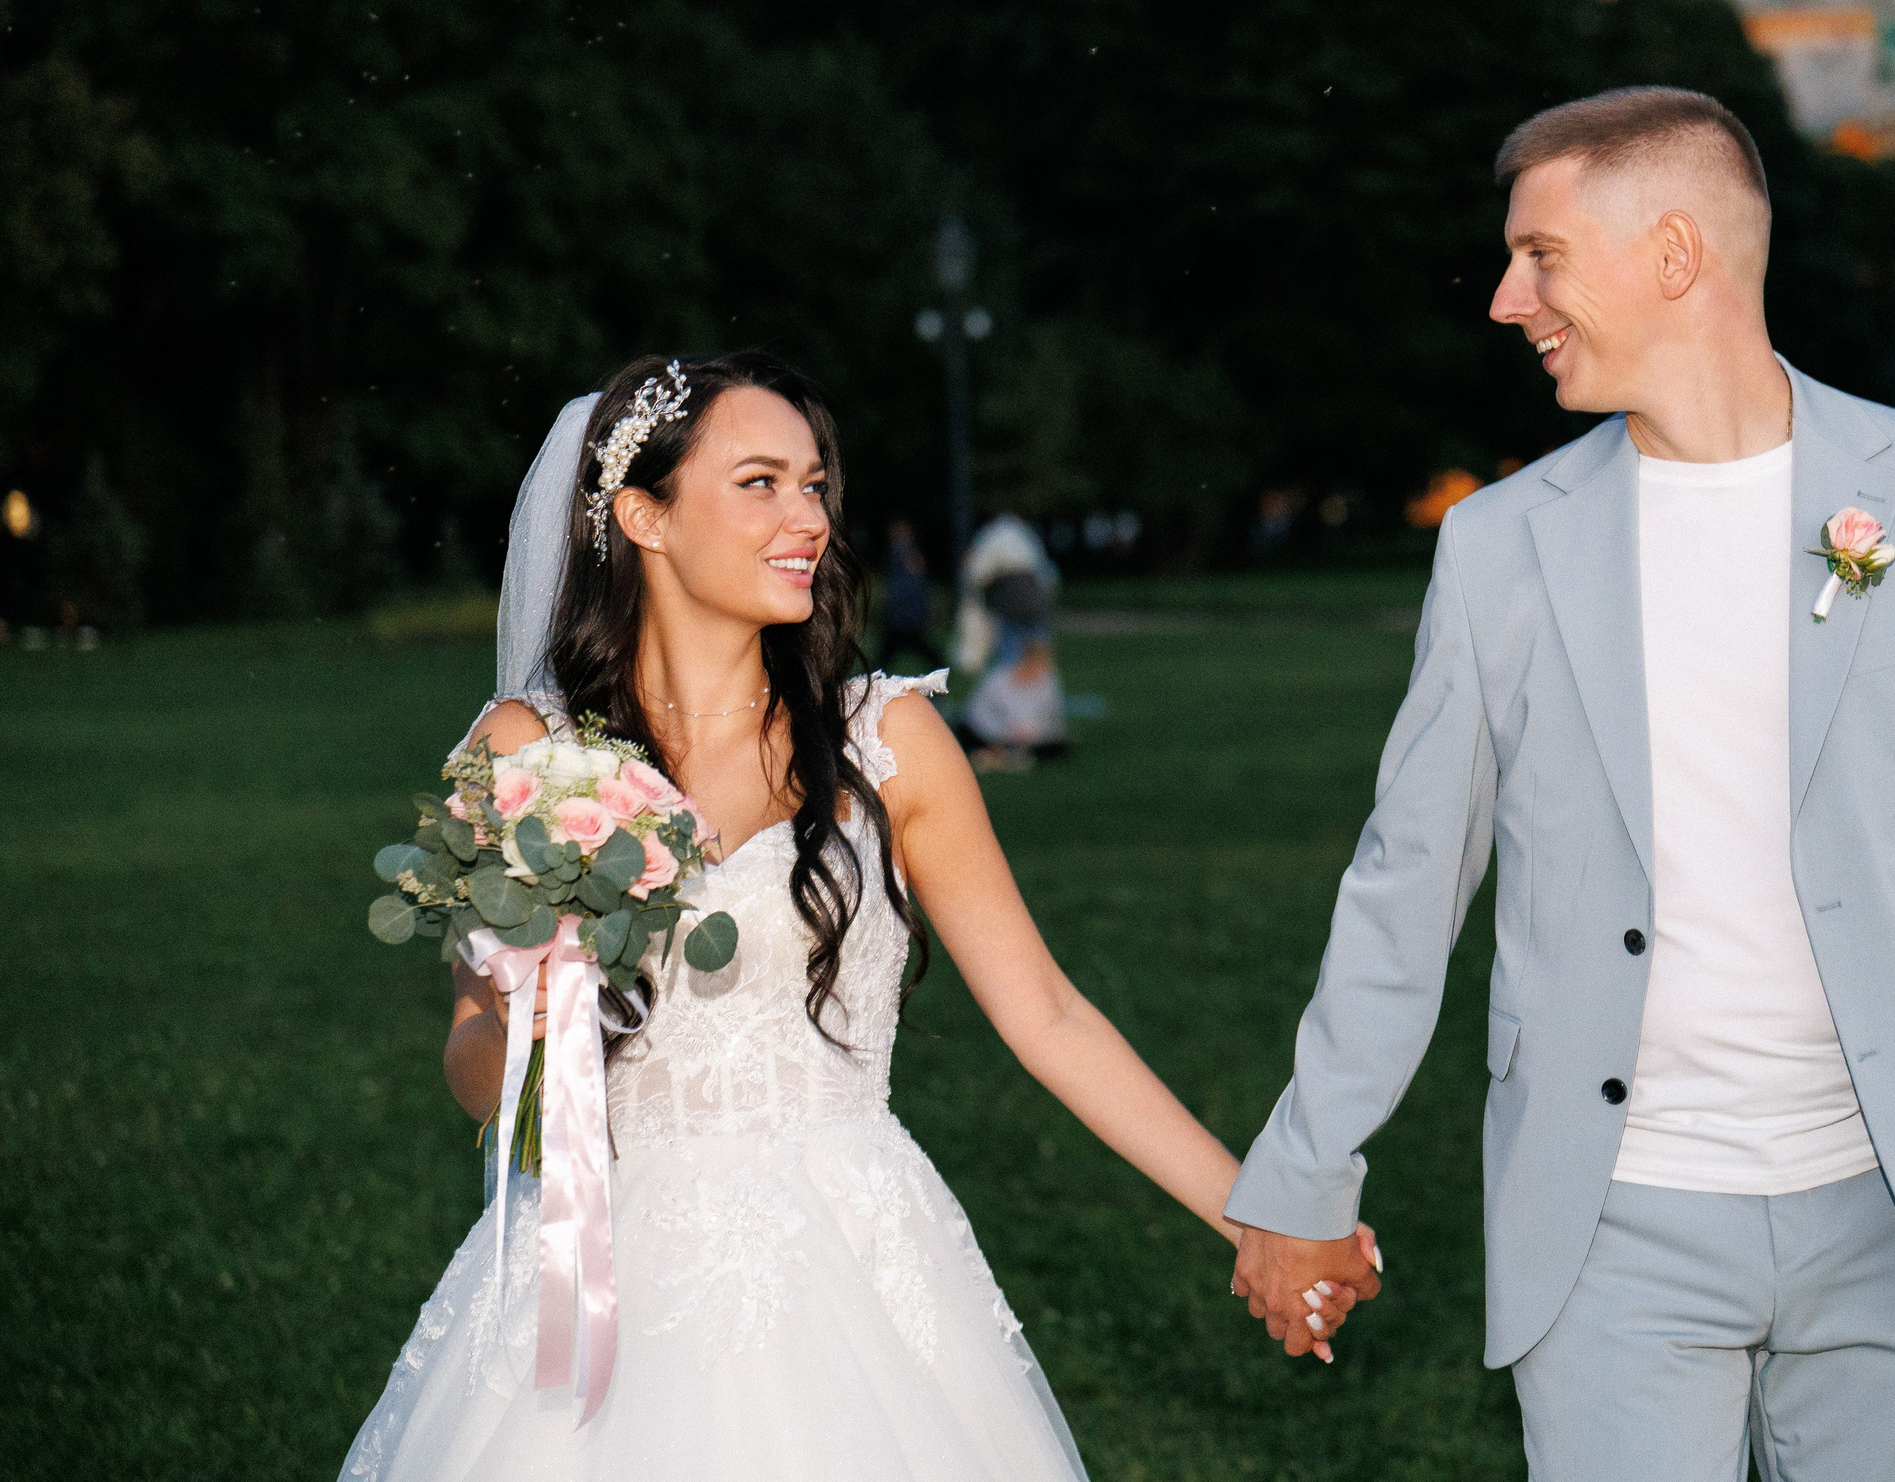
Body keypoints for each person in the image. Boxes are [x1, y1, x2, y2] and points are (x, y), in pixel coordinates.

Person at [1221, 88, 1895, 1478]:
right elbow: (1406, 885)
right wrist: (1303, 1169)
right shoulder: (1500, 546)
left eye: (1542, 255)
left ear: (1676, 253)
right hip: (1609, 1219)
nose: (1510, 297)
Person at [340, 353, 1370, 1481]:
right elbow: (473, 1057)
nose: (808, 519)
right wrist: (540, 1026)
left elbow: (1049, 1016)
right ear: (644, 514)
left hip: (851, 1254)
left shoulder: (888, 740)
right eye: (761, 484)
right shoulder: (529, 756)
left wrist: (1254, 1216)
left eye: (816, 484)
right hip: (599, 1275)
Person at [951, 513, 1068, 768]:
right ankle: (1017, 731)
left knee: (1014, 666)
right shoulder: (1021, 537)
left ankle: (1014, 731)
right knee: (1023, 669)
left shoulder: (994, 538)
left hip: (1014, 602)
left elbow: (976, 573)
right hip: (1033, 600)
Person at [878, 518, 939, 670]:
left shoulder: (904, 551)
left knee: (912, 645)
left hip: (905, 611)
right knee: (893, 649)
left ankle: (939, 667)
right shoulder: (899, 552)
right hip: (902, 611)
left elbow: (913, 578)